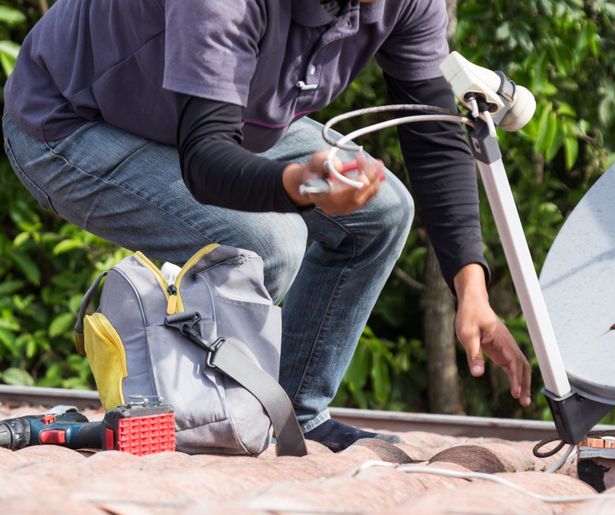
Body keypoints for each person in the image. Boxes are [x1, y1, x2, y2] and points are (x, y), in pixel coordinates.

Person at [2, 0, 533, 451]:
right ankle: (197, 413)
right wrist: (300, 184)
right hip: (69, 124)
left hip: (200, 118)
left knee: (385, 212)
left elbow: (433, 135)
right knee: (265, 243)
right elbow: (207, 159)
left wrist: (471, 287)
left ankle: (297, 411)